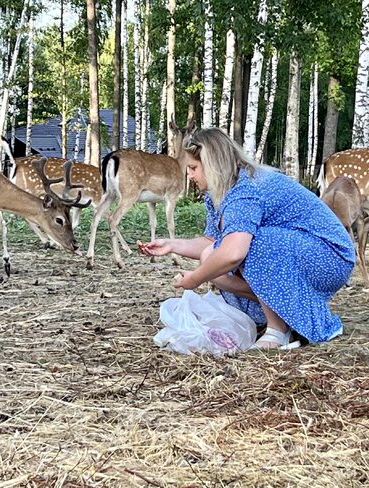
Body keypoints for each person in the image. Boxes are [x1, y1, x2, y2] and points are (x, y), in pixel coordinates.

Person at [139, 128, 356, 347]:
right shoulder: (221, 192)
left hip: (330, 257)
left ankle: (278, 331)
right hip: (305, 251)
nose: (190, 175)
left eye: (194, 168)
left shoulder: (245, 189)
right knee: (212, 258)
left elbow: (233, 252)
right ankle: (290, 312)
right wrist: (172, 244)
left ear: (213, 163)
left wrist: (194, 279)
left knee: (252, 244)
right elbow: (212, 243)